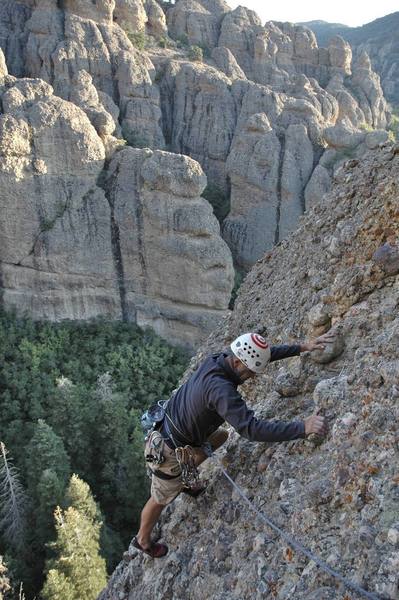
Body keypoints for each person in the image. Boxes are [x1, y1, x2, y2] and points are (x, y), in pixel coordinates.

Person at [133, 331, 333, 558]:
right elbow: (252, 429)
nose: (252, 377)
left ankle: (187, 478)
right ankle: (142, 540)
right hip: (167, 451)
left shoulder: (218, 359)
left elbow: (262, 355)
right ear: (238, 362)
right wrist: (302, 427)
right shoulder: (221, 391)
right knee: (159, 498)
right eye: (250, 372)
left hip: (180, 435)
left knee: (220, 437)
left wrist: (302, 347)